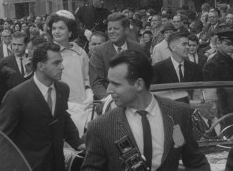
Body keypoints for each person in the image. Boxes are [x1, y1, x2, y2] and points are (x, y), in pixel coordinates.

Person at [81, 51, 210, 171]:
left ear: (139, 85)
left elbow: (196, 162)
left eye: (116, 84)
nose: (108, 89)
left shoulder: (179, 112)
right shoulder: (100, 126)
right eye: (109, 82)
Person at [0, 42, 84, 171]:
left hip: (57, 165)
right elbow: (3, 140)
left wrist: (78, 143)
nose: (62, 67)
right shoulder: (16, 96)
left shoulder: (63, 89)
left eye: (61, 62)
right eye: (56, 63)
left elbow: (63, 118)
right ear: (40, 66)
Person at [89, 12, 145, 100]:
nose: (111, 32)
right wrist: (110, 101)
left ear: (126, 30)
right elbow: (96, 83)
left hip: (135, 99)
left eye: (116, 28)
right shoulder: (99, 51)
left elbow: (144, 77)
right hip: (110, 99)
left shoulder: (138, 49)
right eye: (109, 29)